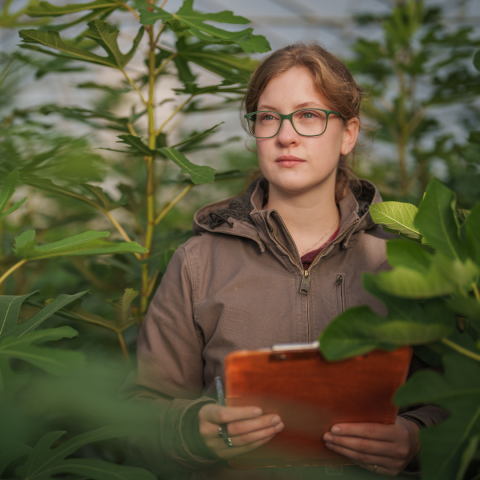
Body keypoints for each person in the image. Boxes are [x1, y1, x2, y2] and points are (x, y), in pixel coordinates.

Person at [121, 43, 447, 479]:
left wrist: (416, 437)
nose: (285, 135)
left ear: (348, 133)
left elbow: (459, 401)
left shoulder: (405, 260)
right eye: (269, 116)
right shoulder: (197, 264)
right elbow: (136, 418)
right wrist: (190, 432)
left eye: (309, 115)